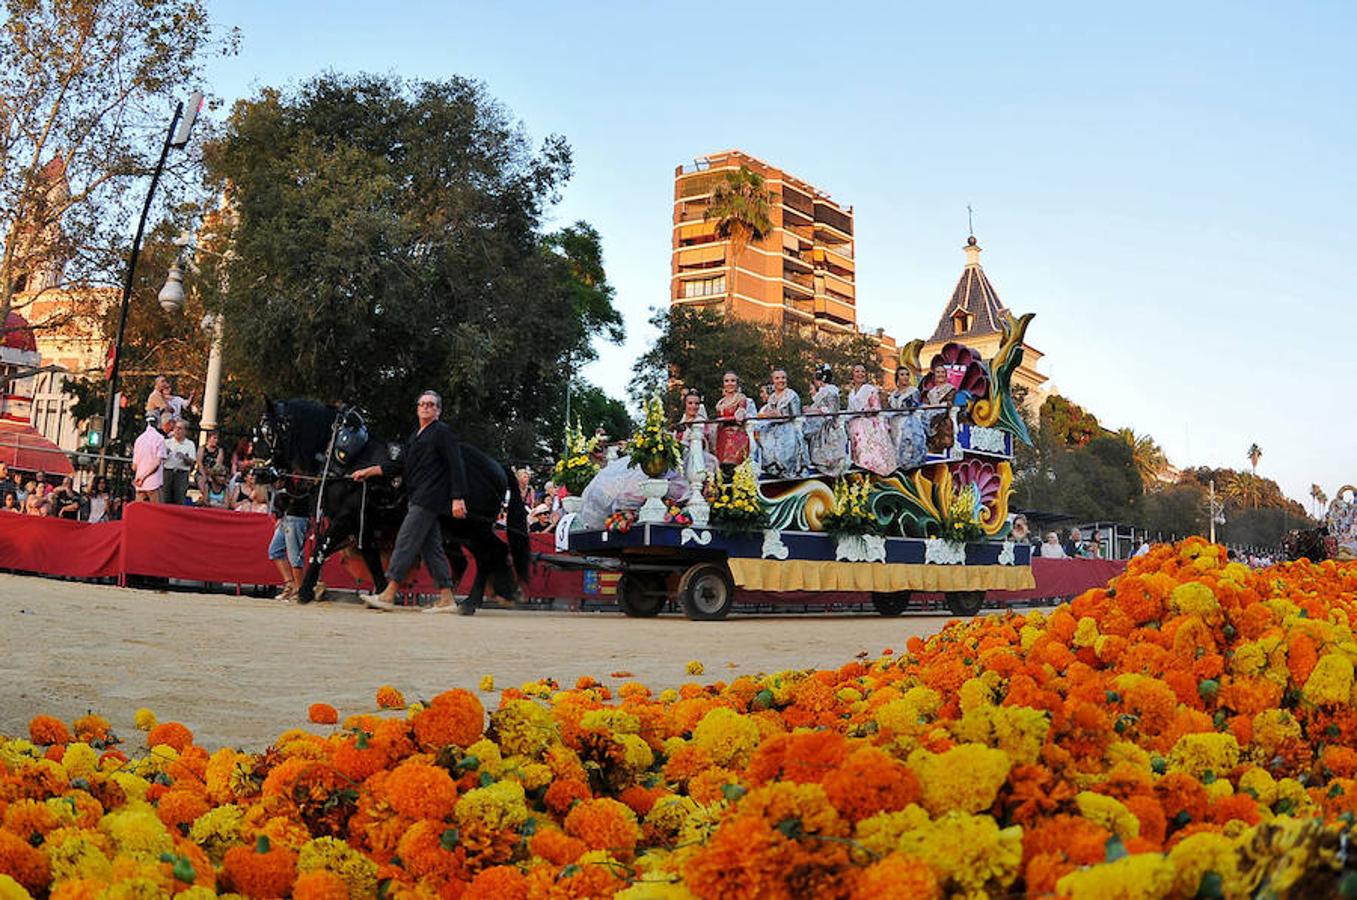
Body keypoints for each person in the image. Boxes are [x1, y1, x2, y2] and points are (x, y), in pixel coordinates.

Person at [352, 390, 468, 613]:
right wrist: (368, 471)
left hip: (429, 498)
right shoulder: (415, 436)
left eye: (431, 405)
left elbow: (456, 465)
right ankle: (447, 598)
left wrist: (457, 498)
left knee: (405, 541)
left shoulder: (442, 433)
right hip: (417, 497)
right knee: (431, 548)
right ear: (417, 408)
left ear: (438, 411)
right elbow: (398, 465)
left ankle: (389, 593)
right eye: (422, 404)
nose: (426, 407)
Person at [267, 473, 314, 601]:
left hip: (297, 517)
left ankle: (299, 590)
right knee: (274, 551)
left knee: (294, 556)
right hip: (287, 516)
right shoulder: (288, 473)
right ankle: (290, 584)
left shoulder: (304, 475)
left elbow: (302, 494)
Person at [756, 368, 808, 479]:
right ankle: (771, 467)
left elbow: (795, 415)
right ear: (773, 381)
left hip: (789, 427)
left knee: (785, 444)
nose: (781, 380)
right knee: (763, 438)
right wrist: (771, 415)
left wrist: (779, 415)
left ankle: (786, 469)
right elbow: (768, 413)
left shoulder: (791, 395)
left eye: (783, 378)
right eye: (777, 378)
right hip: (773, 427)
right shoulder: (772, 397)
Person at [846, 364, 896, 476]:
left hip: (868, 425)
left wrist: (863, 412)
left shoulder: (870, 389)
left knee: (871, 455)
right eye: (857, 371)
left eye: (862, 372)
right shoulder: (851, 393)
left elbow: (876, 407)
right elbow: (850, 410)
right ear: (853, 375)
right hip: (855, 427)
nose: (860, 374)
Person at [801, 364, 849, 477]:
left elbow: (832, 411)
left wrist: (815, 410)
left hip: (827, 426)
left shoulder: (831, 391)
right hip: (819, 424)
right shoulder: (823, 392)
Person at [713, 371, 756, 476]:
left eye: (733, 381)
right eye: (727, 381)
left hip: (736, 433)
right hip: (721, 433)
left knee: (733, 464)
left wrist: (728, 418)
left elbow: (740, 414)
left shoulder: (740, 398)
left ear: (737, 383)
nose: (730, 383)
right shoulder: (721, 402)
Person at [886, 366, 929, 471]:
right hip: (894, 422)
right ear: (897, 377)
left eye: (907, 374)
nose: (905, 377)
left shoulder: (913, 391)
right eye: (902, 375)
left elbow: (911, 408)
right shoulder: (893, 394)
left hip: (908, 422)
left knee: (907, 444)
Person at [675, 389, 717, 485]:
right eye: (690, 403)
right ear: (685, 404)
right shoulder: (680, 420)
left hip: (697, 455)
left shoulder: (701, 422)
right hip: (680, 456)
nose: (693, 406)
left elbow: (706, 442)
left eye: (696, 404)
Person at [919, 362, 958, 453]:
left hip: (944, 416)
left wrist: (936, 407)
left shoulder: (950, 389)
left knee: (938, 422)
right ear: (934, 375)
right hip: (930, 413)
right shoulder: (930, 392)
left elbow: (948, 403)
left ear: (946, 375)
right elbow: (926, 404)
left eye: (942, 372)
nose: (940, 374)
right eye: (938, 372)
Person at [131, 413, 168, 503]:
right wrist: (144, 477)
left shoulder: (139, 439)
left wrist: (140, 477)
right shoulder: (159, 438)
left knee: (140, 512)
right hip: (154, 483)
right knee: (156, 512)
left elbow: (134, 466)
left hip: (140, 484)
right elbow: (157, 463)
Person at [161, 418, 196, 505]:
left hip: (181, 473)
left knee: (179, 500)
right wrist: (164, 453)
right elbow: (158, 459)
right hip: (167, 472)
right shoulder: (167, 442)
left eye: (180, 428)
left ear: (185, 431)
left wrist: (184, 457)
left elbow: (192, 462)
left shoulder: (190, 444)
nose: (177, 430)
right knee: (165, 499)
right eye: (176, 428)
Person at [196, 430, 228, 499]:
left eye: (217, 438)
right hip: (202, 472)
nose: (216, 440)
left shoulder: (219, 450)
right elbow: (199, 462)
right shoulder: (202, 448)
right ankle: (206, 498)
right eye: (214, 438)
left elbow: (218, 465)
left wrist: (211, 475)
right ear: (209, 438)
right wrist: (204, 475)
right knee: (202, 480)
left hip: (214, 473)